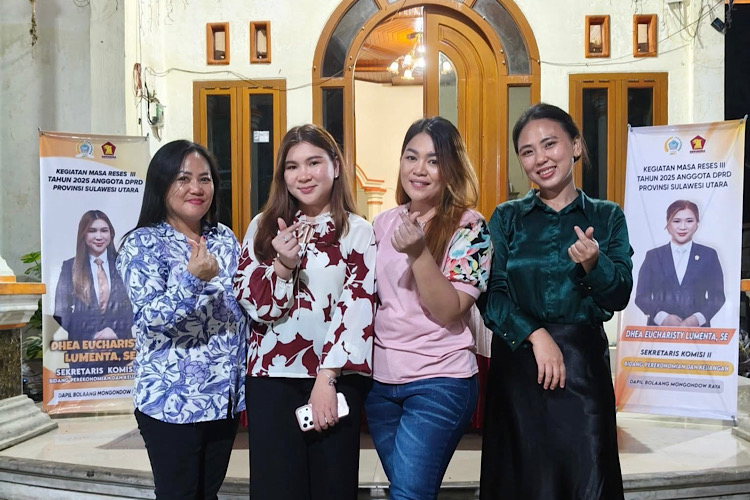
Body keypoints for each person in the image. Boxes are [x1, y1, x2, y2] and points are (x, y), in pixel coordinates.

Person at [480, 103, 633, 500]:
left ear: (576, 146)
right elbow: (491, 295)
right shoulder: (506, 218)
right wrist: (536, 335)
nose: (541, 159)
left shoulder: (607, 216)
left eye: (550, 144)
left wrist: (594, 264)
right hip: (518, 369)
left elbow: (619, 295)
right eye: (528, 151)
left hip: (583, 371)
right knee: (522, 483)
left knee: (588, 480)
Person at [233, 124, 376, 500]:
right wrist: (283, 265)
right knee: (276, 490)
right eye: (292, 166)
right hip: (271, 379)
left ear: (335, 166)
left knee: (333, 487)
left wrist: (327, 378)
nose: (304, 175)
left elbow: (357, 308)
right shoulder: (263, 226)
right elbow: (256, 306)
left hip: (334, 380)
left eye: (314, 162)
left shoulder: (357, 231)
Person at [365, 116, 492, 500]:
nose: (419, 169)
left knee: (409, 494)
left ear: (450, 169)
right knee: (409, 492)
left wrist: (419, 253)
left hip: (441, 380)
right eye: (411, 157)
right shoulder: (382, 223)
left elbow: (449, 310)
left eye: (433, 161)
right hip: (381, 385)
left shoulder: (469, 227)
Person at [116, 140, 247, 500]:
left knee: (209, 494)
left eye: (205, 179)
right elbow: (149, 319)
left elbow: (239, 306)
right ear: (162, 184)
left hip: (223, 399)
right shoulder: (142, 244)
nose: (196, 188)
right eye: (183, 178)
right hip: (172, 402)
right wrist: (192, 279)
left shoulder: (223, 238)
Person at [53, 210, 133, 371]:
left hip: (122, 353)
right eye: (92, 230)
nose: (99, 236)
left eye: (104, 230)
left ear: (111, 234)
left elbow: (137, 305)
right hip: (84, 354)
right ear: (83, 234)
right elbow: (60, 312)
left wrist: (114, 332)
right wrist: (91, 336)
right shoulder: (69, 267)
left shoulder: (125, 264)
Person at [635, 199, 725, 327]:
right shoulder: (653, 256)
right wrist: (663, 318)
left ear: (697, 223)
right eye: (676, 221)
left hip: (698, 333)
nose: (683, 227)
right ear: (668, 223)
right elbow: (641, 296)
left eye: (689, 221)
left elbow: (717, 297)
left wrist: (697, 319)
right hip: (658, 333)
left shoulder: (709, 255)